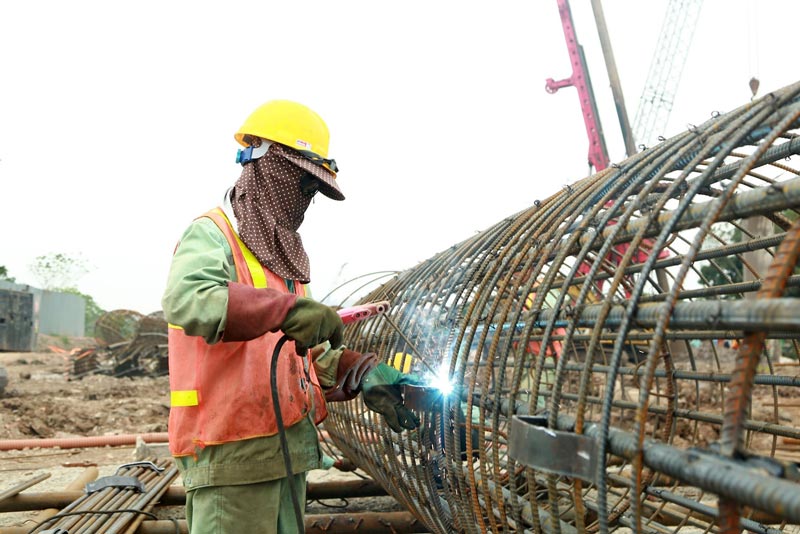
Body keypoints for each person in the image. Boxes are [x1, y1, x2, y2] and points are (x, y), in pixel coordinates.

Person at [162, 100, 421, 533]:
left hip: (284, 453)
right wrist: (284, 309)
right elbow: (189, 298)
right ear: (263, 163)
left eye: (311, 190)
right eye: (301, 182)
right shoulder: (212, 233)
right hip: (230, 455)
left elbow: (298, 355)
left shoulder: (283, 260)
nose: (304, 198)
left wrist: (358, 370)